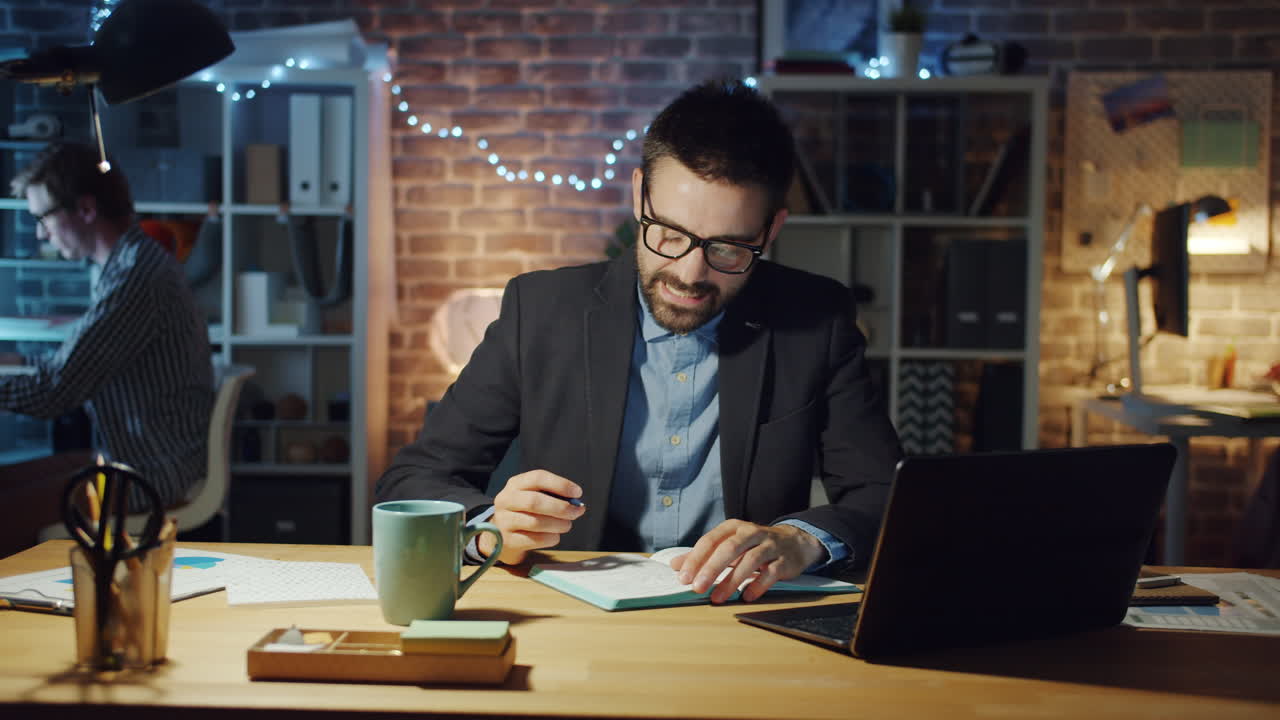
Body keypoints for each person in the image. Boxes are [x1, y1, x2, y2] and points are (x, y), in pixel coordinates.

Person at [376, 79, 901, 603]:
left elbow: (885, 498)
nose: (689, 274)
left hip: (742, 616)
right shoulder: (539, 310)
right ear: (638, 195)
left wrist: (800, 540)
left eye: (728, 249)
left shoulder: (817, 320)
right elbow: (414, 479)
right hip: (569, 613)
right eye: (669, 234)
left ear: (771, 230)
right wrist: (491, 526)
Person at [0, 142, 214, 557]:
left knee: (5, 509)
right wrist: (18, 363)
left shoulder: (135, 278)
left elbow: (56, 392)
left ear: (85, 209)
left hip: (148, 474)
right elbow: (74, 366)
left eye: (43, 218)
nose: (41, 233)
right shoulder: (129, 263)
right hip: (135, 458)